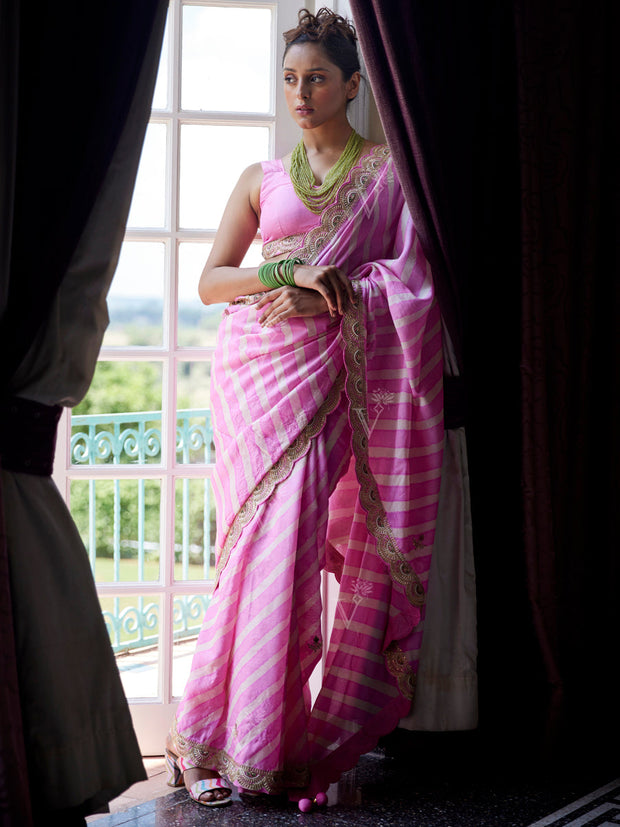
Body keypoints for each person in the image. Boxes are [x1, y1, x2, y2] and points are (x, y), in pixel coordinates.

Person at [165, 7, 445, 807]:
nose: (300, 92)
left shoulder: (390, 175)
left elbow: (416, 284)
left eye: (317, 77)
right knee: (249, 553)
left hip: (330, 383)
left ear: (354, 85)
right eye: (290, 78)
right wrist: (285, 276)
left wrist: (347, 291)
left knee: (288, 550)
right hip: (255, 382)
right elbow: (214, 281)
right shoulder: (263, 179)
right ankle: (214, 738)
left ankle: (282, 745)